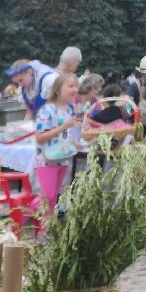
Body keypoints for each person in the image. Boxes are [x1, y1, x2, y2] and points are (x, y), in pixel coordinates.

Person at [33, 71, 81, 217]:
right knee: (46, 198)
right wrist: (63, 126)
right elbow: (40, 137)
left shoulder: (70, 110)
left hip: (62, 159)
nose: (75, 90)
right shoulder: (47, 110)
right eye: (70, 86)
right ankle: (22, 213)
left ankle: (44, 234)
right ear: (58, 90)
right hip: (47, 160)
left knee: (53, 198)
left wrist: (75, 142)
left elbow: (68, 134)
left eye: (76, 86)